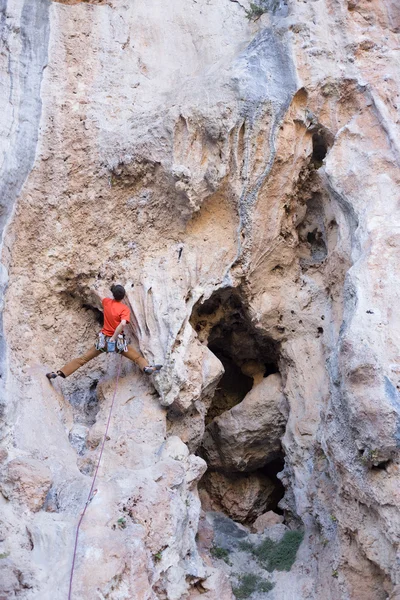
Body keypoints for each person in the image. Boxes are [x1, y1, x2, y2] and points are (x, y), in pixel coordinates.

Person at [46, 284, 162, 380]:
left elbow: (100, 293)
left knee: (83, 359)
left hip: (103, 342)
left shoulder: (107, 302)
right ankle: (146, 368)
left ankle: (58, 373)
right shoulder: (124, 309)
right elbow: (122, 324)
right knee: (137, 358)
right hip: (117, 343)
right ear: (123, 296)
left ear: (113, 294)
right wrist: (114, 338)